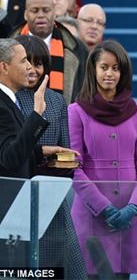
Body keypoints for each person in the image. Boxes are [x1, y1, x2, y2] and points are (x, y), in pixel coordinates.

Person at [68, 40, 137, 279]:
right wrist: (103, 208)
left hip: (128, 217)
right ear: (93, 70)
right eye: (104, 67)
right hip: (92, 217)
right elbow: (74, 168)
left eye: (116, 68)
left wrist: (135, 207)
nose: (110, 73)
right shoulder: (76, 111)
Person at [14, 34, 86, 279]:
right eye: (27, 63)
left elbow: (65, 147)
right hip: (17, 189)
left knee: (61, 263)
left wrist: (67, 161)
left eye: (39, 63)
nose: (33, 69)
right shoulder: (10, 99)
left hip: (51, 194)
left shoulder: (57, 100)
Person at [0, 37, 76, 266]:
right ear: (4, 67)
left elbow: (13, 150)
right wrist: (37, 114)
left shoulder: (8, 100)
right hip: (6, 214)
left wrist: (41, 151)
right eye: (23, 61)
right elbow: (8, 159)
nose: (30, 68)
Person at [9, 0, 88, 104]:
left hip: (63, 117)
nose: (41, 15)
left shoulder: (77, 48)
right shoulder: (8, 47)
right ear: (25, 14)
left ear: (54, 12)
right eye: (34, 10)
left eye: (46, 10)